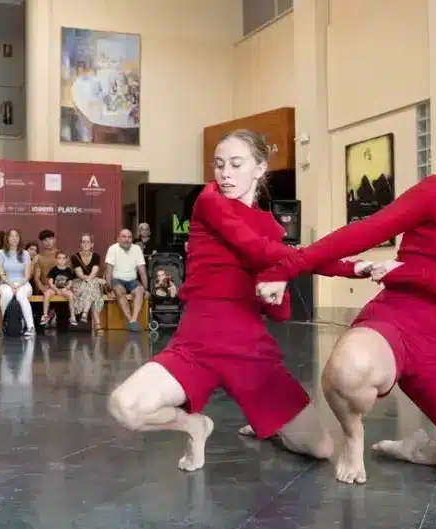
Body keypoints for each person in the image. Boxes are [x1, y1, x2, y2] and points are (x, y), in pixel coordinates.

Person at [256, 118, 436, 485]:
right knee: (347, 370)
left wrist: (409, 272)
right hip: (391, 323)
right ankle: (353, 436)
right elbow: (362, 232)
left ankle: (425, 452)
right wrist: (286, 268)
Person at [108, 129, 371, 471]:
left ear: (259, 169)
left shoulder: (271, 228)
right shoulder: (210, 201)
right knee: (125, 406)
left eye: (235, 164)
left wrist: (275, 288)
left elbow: (280, 310)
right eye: (219, 165)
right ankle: (196, 426)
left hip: (250, 354)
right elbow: (258, 250)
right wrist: (350, 267)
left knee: (320, 448)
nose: (225, 174)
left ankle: (270, 427)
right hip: (196, 345)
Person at [105, 229, 147, 331]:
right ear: (118, 239)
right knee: (119, 290)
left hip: (132, 280)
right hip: (117, 279)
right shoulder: (112, 249)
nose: (126, 239)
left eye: (129, 237)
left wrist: (145, 288)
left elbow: (142, 270)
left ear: (132, 239)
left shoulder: (137, 249)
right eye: (123, 237)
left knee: (140, 290)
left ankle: (133, 320)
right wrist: (108, 289)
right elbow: (108, 271)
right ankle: (129, 319)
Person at [0, 228, 35, 337]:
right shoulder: (0, 253)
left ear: (19, 238)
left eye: (16, 236)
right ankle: (7, 324)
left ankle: (31, 327)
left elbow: (27, 276)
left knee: (21, 295)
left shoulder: (25, 253)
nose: (14, 238)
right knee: (6, 294)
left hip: (23, 283)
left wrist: (18, 285)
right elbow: (1, 274)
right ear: (7, 238)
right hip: (6, 283)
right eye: (11, 236)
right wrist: (11, 285)